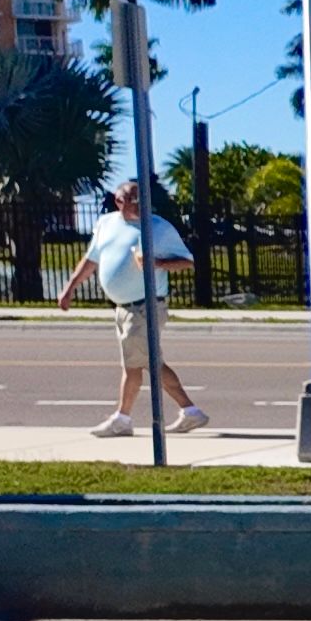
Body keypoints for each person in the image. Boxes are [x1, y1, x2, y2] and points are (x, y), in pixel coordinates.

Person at [59, 178, 209, 436]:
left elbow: (187, 261)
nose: (138, 204)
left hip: (145, 306)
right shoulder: (106, 224)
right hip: (123, 307)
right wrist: (70, 287)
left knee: (142, 363)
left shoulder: (158, 228)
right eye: (131, 199)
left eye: (141, 198)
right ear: (119, 201)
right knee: (140, 364)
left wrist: (157, 263)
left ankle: (130, 418)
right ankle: (183, 412)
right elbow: (91, 259)